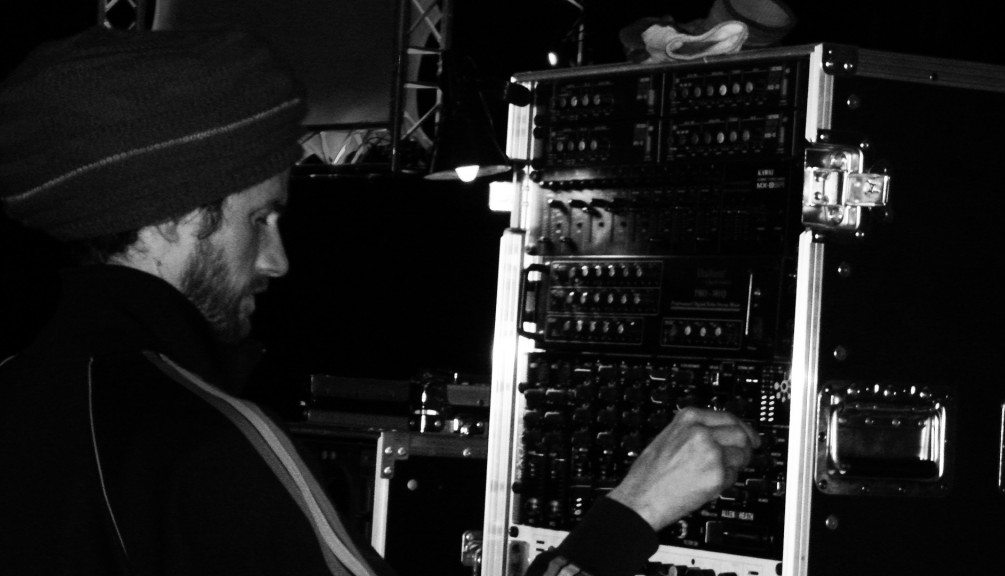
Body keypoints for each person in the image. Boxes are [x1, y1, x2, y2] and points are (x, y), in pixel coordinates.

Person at [0, 26, 759, 576]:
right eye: (259, 218)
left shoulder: (23, 394)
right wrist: (630, 516)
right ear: (171, 216)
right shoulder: (208, 442)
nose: (277, 259)